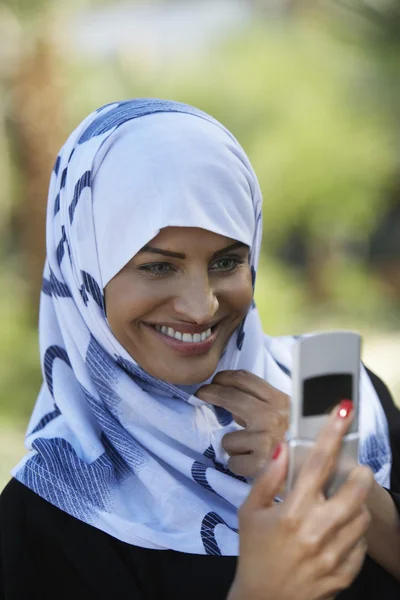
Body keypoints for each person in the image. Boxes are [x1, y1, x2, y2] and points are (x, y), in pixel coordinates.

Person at [0, 99, 399, 600]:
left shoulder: (330, 390)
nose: (200, 306)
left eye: (227, 262)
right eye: (158, 266)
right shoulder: (54, 505)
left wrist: (331, 470)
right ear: (86, 274)